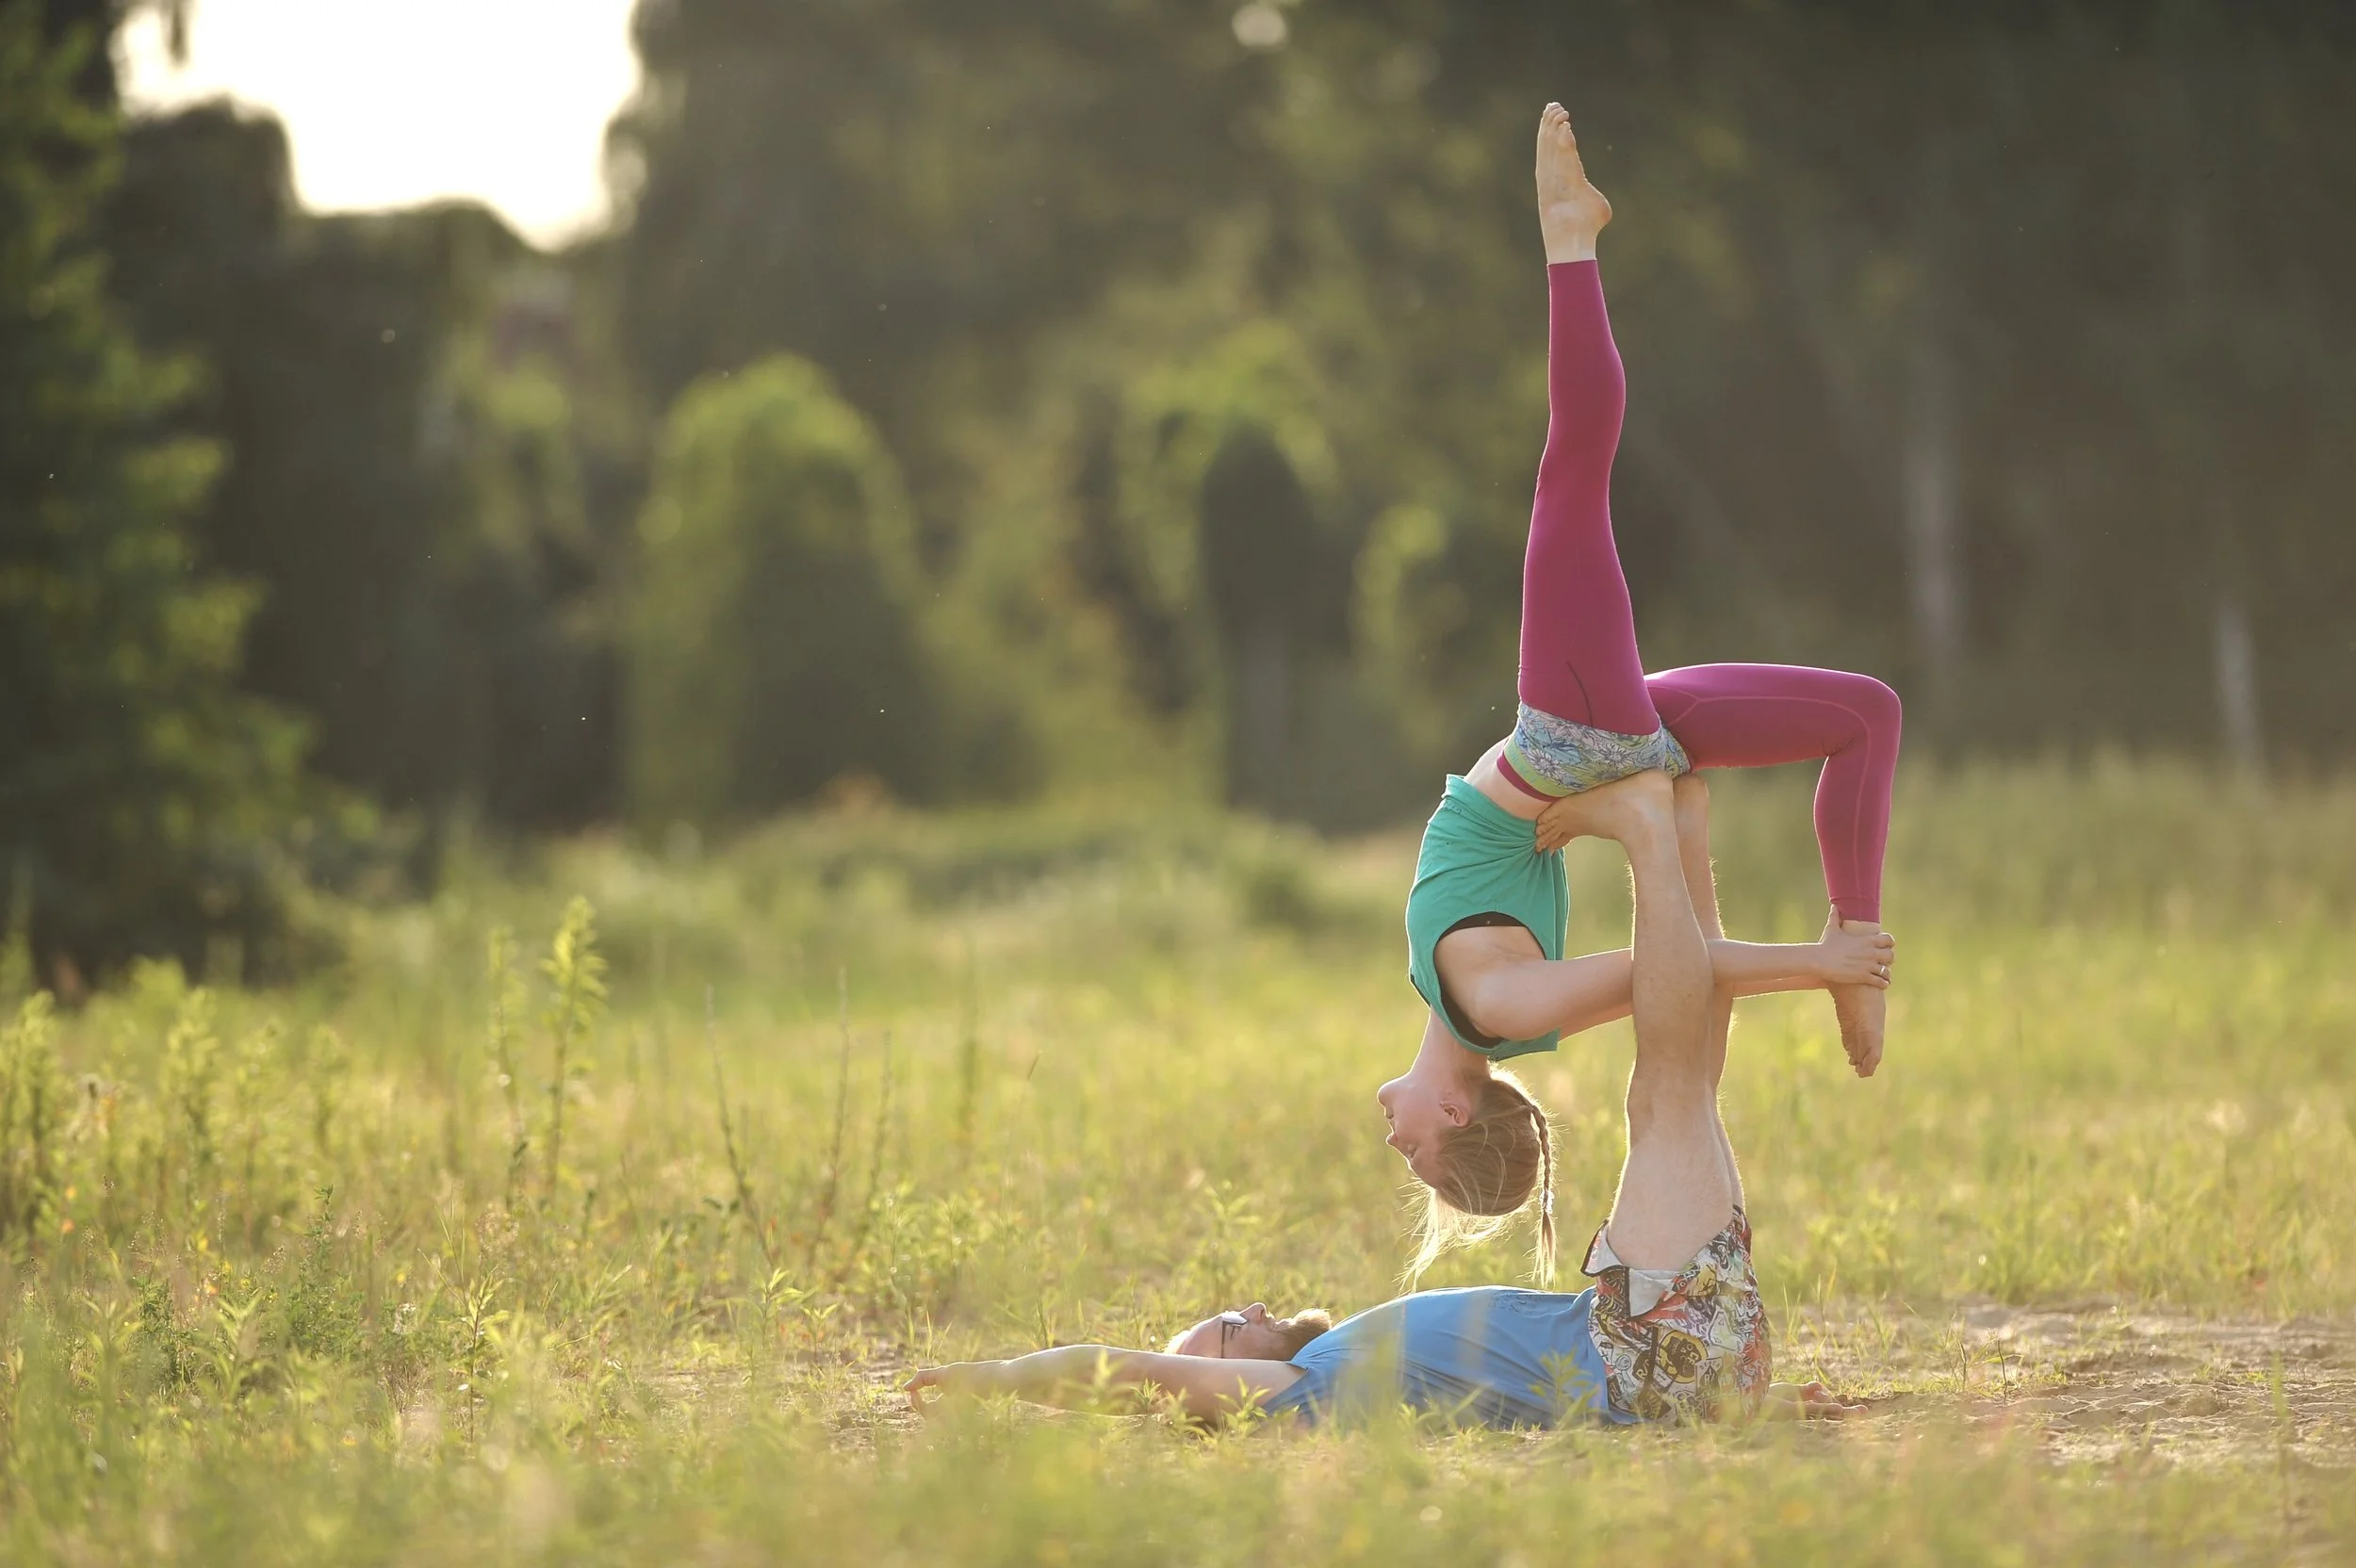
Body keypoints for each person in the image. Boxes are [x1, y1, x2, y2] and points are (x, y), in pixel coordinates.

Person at [908, 773, 1861, 1429]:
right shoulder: (1294, 1391)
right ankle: (1651, 829)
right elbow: (1126, 1372)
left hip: (1666, 1361)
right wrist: (995, 1379)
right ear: (1225, 1384)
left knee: (1684, 1088)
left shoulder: (1351, 1368)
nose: (1243, 1307)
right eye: (1224, 1330)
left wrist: (1732, 1396)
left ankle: (1682, 818)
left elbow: (1528, 1392)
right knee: (1668, 1093)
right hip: (1645, 1349)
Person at [1380, 102, 1902, 1278]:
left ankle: (1857, 932)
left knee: (1867, 712)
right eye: (1411, 1153)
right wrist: (1818, 965)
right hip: (1575, 738)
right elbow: (1680, 969)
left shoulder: (1460, 998)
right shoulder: (1497, 1006)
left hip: (1611, 735)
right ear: (1455, 1113)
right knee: (1571, 465)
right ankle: (1570, 235)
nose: (1390, 1135)